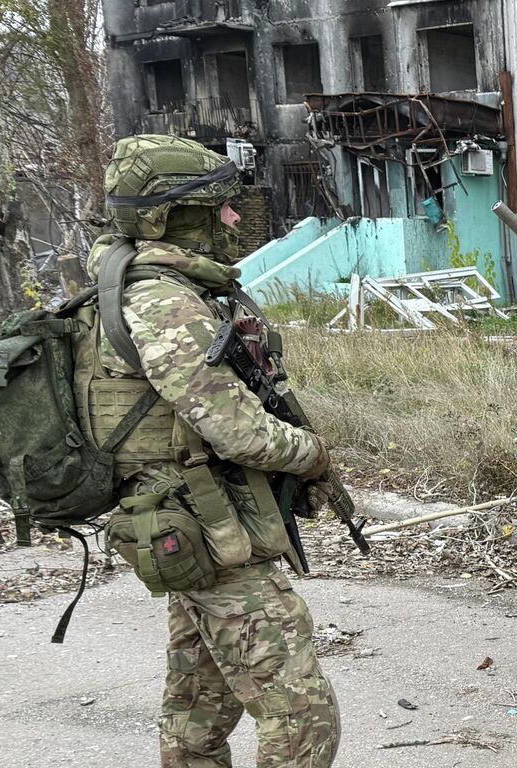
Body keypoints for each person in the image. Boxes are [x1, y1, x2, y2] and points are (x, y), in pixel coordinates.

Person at [91, 135, 340, 766]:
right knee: (304, 721)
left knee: (198, 712)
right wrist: (312, 454)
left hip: (187, 525)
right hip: (206, 529)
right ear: (172, 218)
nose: (233, 219)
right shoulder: (164, 300)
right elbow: (239, 431)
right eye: (218, 209)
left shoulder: (136, 283)